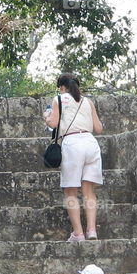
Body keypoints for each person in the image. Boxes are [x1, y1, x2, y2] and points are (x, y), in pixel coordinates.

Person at [44, 73, 103, 241]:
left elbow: (53, 124)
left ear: (62, 87)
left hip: (72, 144)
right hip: (90, 144)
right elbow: (98, 128)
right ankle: (92, 230)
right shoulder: (88, 101)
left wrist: (47, 117)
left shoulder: (59, 99)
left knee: (71, 191)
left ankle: (78, 233)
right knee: (89, 191)